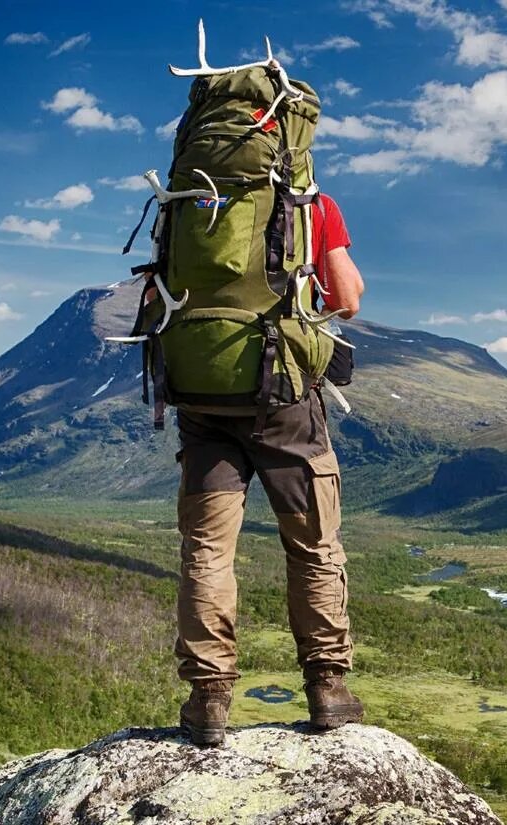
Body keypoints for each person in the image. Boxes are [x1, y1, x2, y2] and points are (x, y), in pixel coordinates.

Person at [174, 193, 366, 746]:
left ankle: (208, 699)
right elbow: (347, 299)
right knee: (314, 546)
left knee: (207, 551)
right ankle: (328, 688)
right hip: (288, 404)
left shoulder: (188, 200)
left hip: (203, 404)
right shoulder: (312, 203)